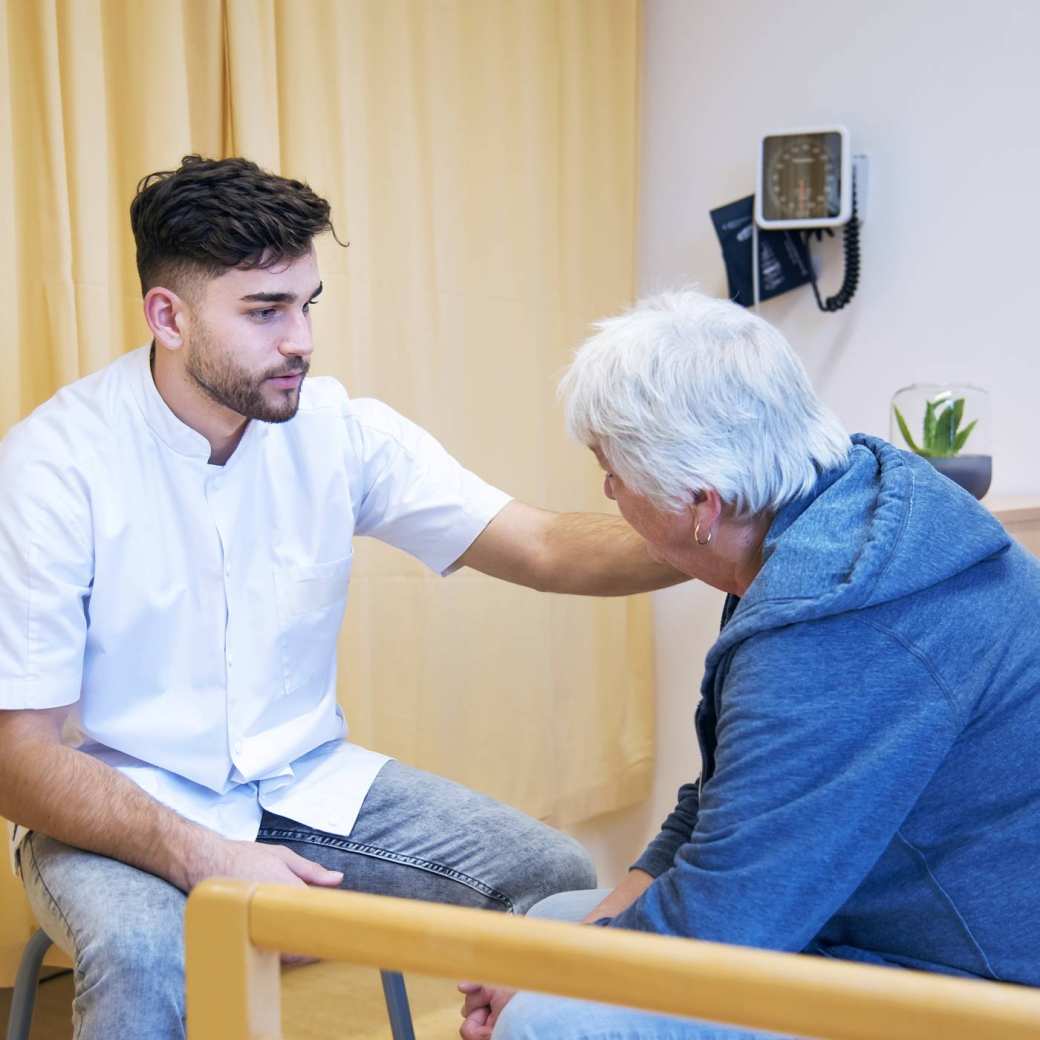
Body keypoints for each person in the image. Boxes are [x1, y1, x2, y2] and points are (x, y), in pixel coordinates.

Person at [0, 156, 683, 1040]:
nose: (301, 340)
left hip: (305, 785)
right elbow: (19, 757)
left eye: (306, 303)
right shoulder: (52, 467)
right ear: (166, 316)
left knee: (554, 882)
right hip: (113, 806)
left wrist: (725, 538)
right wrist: (207, 857)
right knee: (148, 962)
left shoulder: (339, 433)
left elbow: (544, 546)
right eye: (264, 311)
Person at [460, 289, 1040, 1040]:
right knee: (551, 923)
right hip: (869, 905)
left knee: (550, 1020)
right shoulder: (831, 509)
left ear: (699, 505)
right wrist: (566, 951)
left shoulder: (833, 621)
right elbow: (721, 803)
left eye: (613, 473)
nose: (606, 492)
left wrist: (554, 980)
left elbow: (723, 927)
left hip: (976, 983)